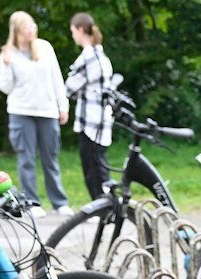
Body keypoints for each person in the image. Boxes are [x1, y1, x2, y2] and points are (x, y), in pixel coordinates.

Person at [0, 11, 71, 217]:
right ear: (17, 31)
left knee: (51, 158)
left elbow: (56, 78)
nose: (31, 30)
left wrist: (63, 105)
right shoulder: (8, 53)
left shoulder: (45, 47)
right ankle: (31, 203)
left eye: (33, 25)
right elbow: (4, 87)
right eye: (27, 27)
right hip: (21, 112)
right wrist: (6, 65)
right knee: (26, 160)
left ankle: (59, 203)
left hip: (47, 111)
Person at [65, 13, 116, 200]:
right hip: (102, 118)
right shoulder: (100, 55)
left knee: (93, 170)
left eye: (73, 31)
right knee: (100, 166)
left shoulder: (88, 56)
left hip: (91, 122)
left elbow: (69, 88)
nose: (72, 36)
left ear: (80, 29)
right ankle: (108, 205)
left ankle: (102, 206)